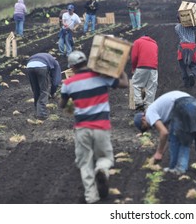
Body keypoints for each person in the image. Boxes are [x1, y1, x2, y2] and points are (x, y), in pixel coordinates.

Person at [59, 50, 129, 204]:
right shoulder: (100, 77)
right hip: (102, 127)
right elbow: (124, 83)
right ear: (87, 62)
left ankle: (91, 197)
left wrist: (70, 98)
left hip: (82, 128)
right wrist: (119, 68)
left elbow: (62, 105)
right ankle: (102, 169)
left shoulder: (68, 84)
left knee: (85, 162)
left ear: (72, 67)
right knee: (105, 157)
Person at [133, 90, 196, 175]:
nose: (150, 127)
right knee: (182, 137)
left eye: (146, 126)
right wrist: (160, 153)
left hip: (183, 105)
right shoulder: (161, 113)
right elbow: (167, 137)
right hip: (195, 104)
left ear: (143, 118)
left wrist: (158, 153)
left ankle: (179, 168)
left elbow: (164, 133)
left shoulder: (149, 113)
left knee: (176, 137)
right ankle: (176, 168)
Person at [27, 53, 62, 119]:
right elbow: (56, 81)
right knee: (44, 91)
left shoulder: (45, 57)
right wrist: (52, 92)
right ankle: (42, 114)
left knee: (36, 90)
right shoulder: (55, 63)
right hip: (41, 66)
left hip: (29, 66)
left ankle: (37, 111)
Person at [175, 11, 196, 88]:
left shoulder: (177, 27)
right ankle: (192, 74)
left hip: (182, 48)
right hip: (192, 47)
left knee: (183, 67)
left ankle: (186, 83)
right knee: (194, 65)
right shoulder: (191, 26)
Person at [131, 35, 158, 112]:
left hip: (142, 66)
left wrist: (133, 68)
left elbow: (134, 57)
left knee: (135, 83)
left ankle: (139, 102)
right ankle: (149, 107)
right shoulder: (155, 44)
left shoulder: (137, 42)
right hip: (154, 68)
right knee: (151, 87)